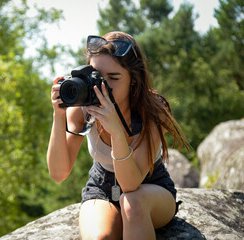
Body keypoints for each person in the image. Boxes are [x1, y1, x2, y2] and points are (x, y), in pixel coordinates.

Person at [47, 31, 188, 240]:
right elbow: (59, 173)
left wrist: (116, 131)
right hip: (102, 185)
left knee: (133, 205)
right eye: (96, 76)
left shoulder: (152, 110)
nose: (101, 86)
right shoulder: (83, 108)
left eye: (113, 78)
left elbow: (130, 186)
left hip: (149, 187)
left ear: (133, 79)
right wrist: (59, 116)